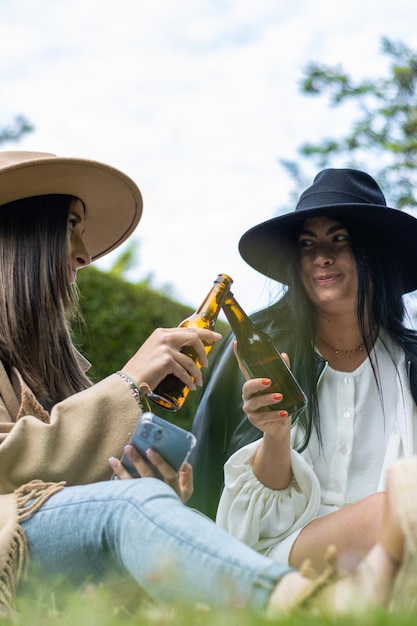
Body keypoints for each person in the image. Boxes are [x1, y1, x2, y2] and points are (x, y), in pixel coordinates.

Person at [3, 151, 404, 620]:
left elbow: (67, 486)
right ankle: (301, 602)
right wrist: (128, 383)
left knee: (163, 517)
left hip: (44, 540)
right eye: (70, 226)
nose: (84, 253)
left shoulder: (53, 364)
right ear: (19, 233)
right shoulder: (264, 352)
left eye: (341, 240)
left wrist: (159, 487)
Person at [189, 167, 417, 574]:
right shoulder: (263, 349)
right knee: (398, 504)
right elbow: (225, 492)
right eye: (307, 243)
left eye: (339, 239)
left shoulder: (409, 363)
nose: (320, 257)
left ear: (374, 252)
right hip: (283, 554)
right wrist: (274, 433)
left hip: (396, 563)